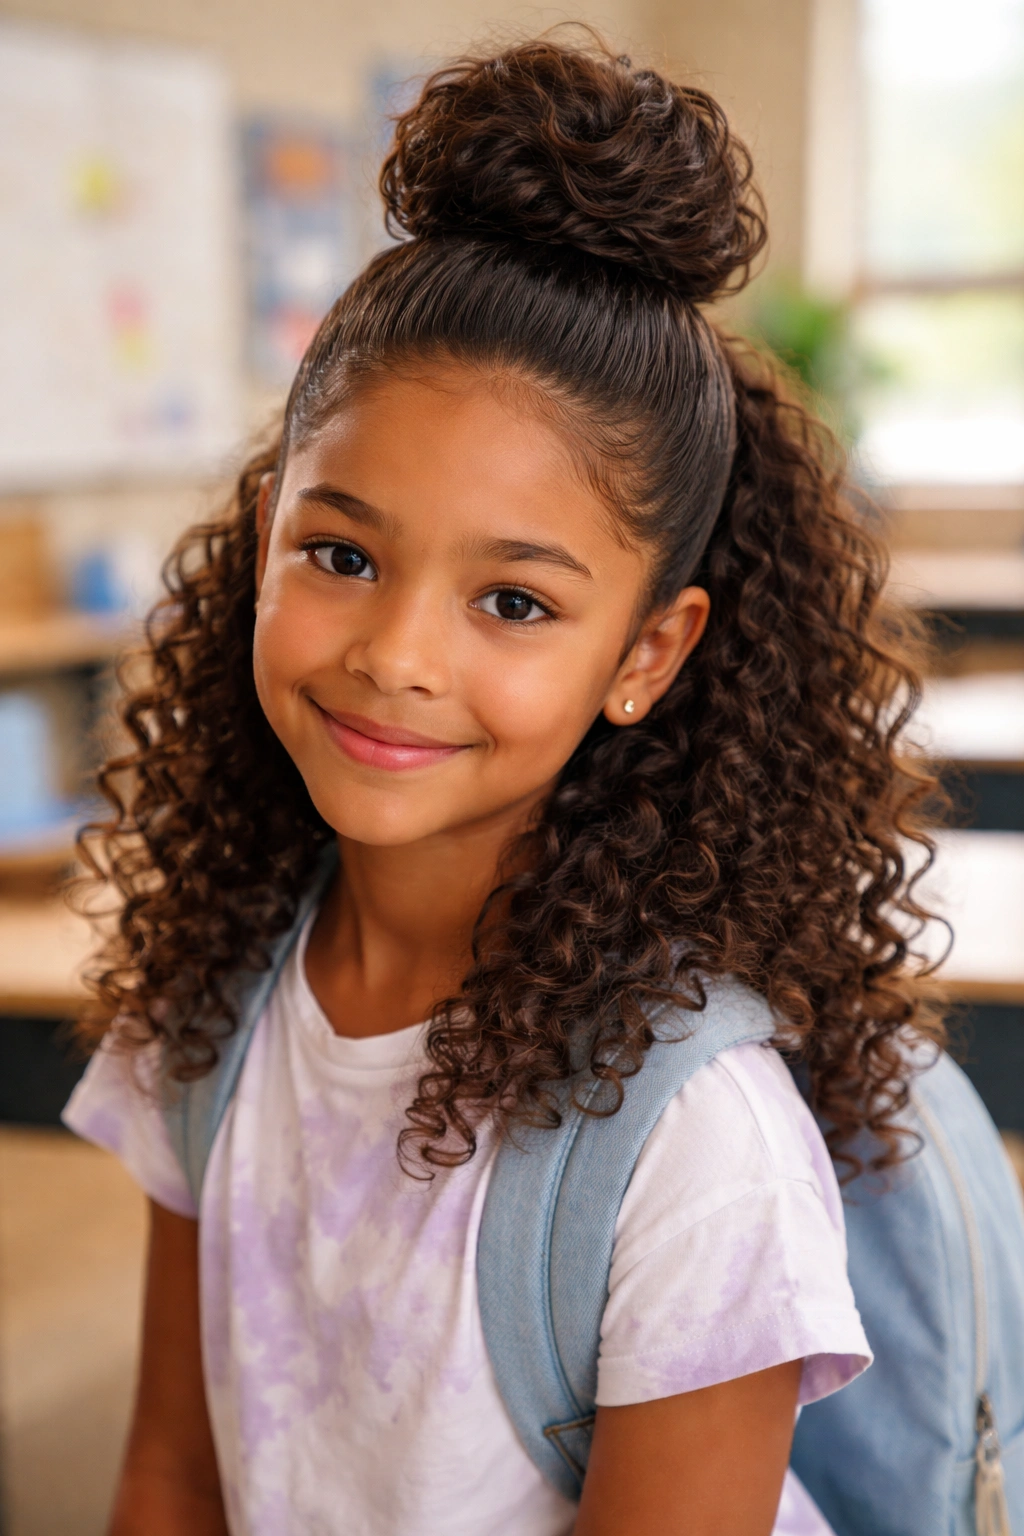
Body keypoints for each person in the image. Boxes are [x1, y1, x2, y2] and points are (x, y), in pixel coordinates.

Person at [65, 36, 942, 1536]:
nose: (396, 656)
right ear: (267, 530)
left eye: (515, 603)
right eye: (342, 555)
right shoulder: (213, 995)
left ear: (647, 653)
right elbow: (173, 1475)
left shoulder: (691, 1143)